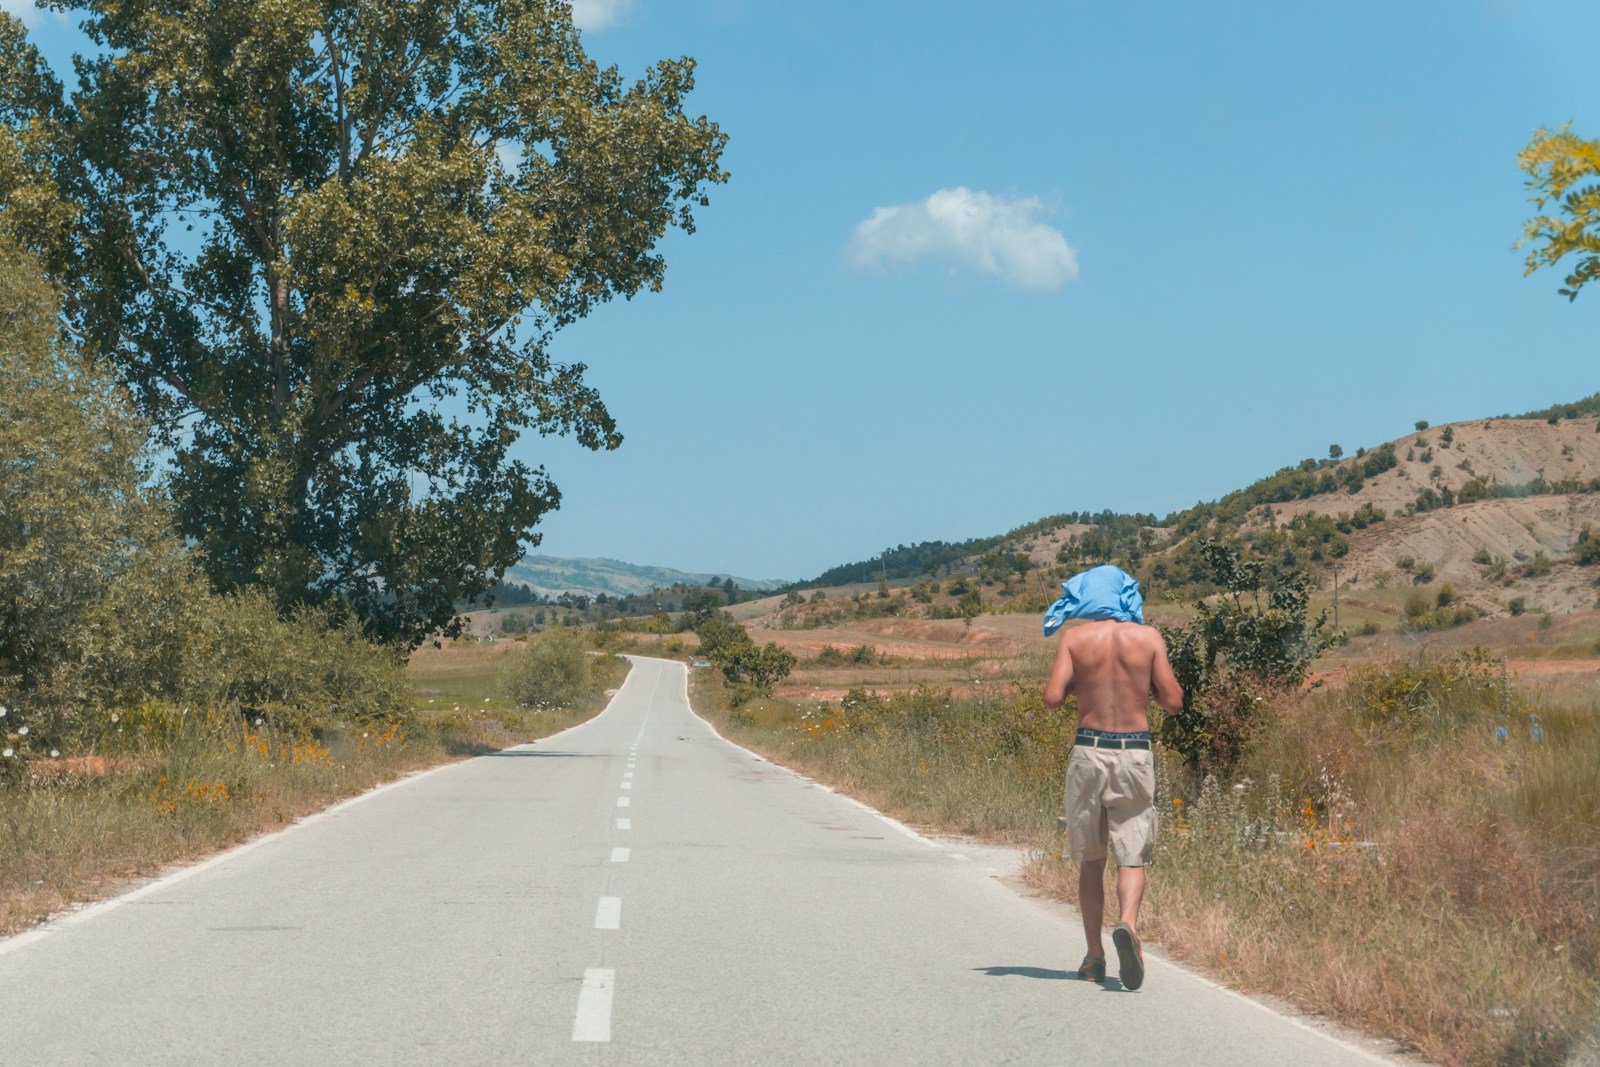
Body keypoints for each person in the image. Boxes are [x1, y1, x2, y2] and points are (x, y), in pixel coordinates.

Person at [1041, 564, 1182, 991]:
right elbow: (1174, 702)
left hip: (1089, 750)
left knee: (1091, 858)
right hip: (1134, 752)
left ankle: (1093, 956)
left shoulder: (1075, 639)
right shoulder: (1149, 638)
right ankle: (1127, 925)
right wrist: (1148, 689)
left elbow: (1051, 698)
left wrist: (1076, 688)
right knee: (1132, 852)